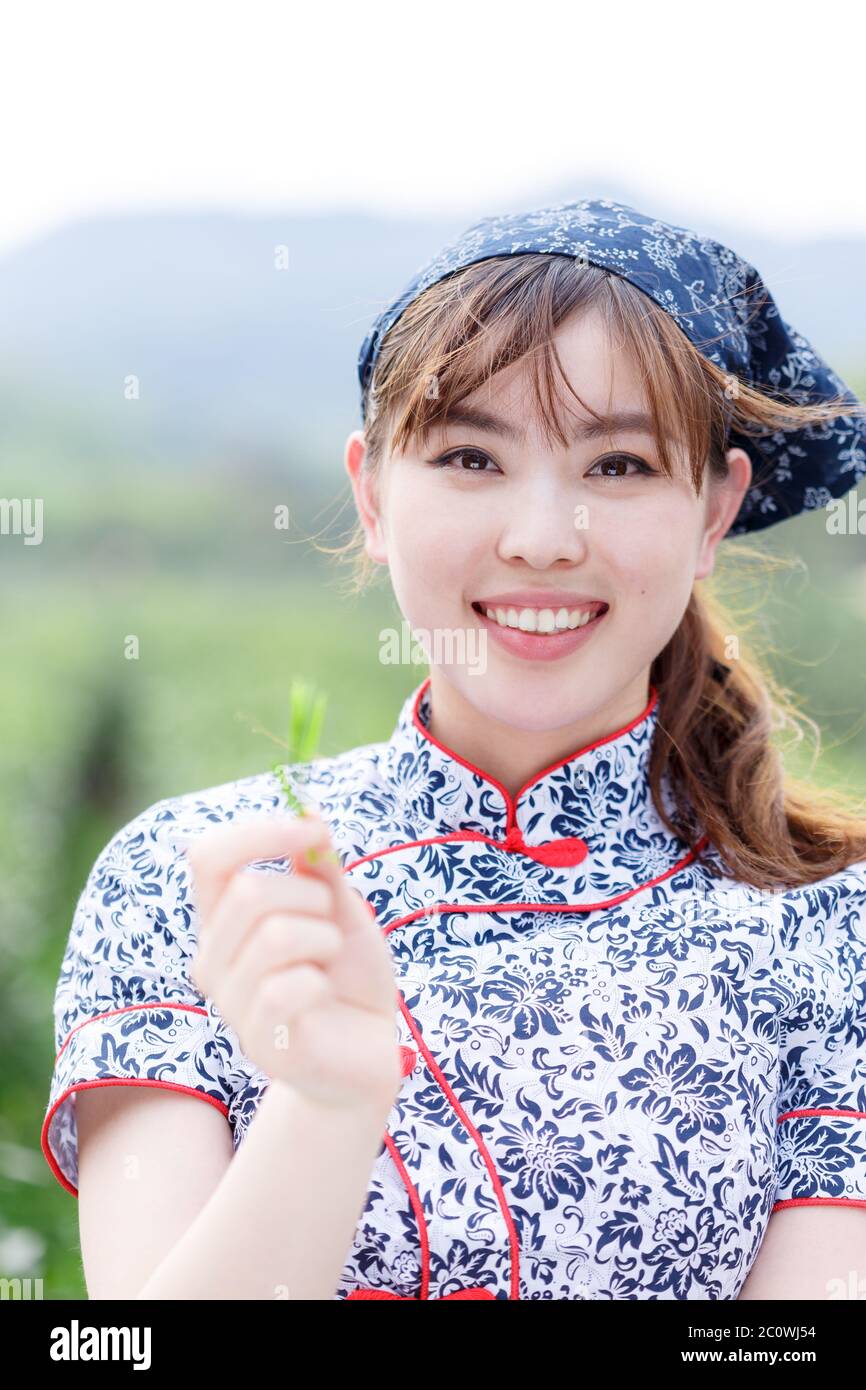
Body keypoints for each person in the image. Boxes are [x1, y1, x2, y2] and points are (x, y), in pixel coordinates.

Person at [41, 197, 866, 1301]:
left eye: (617, 466)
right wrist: (325, 1104)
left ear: (713, 509)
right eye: (470, 456)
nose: (537, 537)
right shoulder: (193, 881)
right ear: (370, 492)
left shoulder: (832, 919)